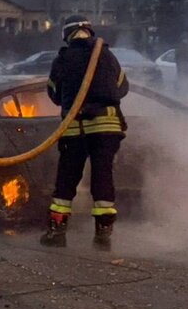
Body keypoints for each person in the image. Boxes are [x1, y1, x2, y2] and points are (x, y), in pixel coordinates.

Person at [40, 15, 129, 248]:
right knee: (103, 176)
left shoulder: (63, 59)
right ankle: (103, 234)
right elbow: (122, 87)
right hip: (107, 127)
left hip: (75, 127)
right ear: (90, 31)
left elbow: (54, 94)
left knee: (67, 178)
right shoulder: (107, 55)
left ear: (66, 35)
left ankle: (56, 232)